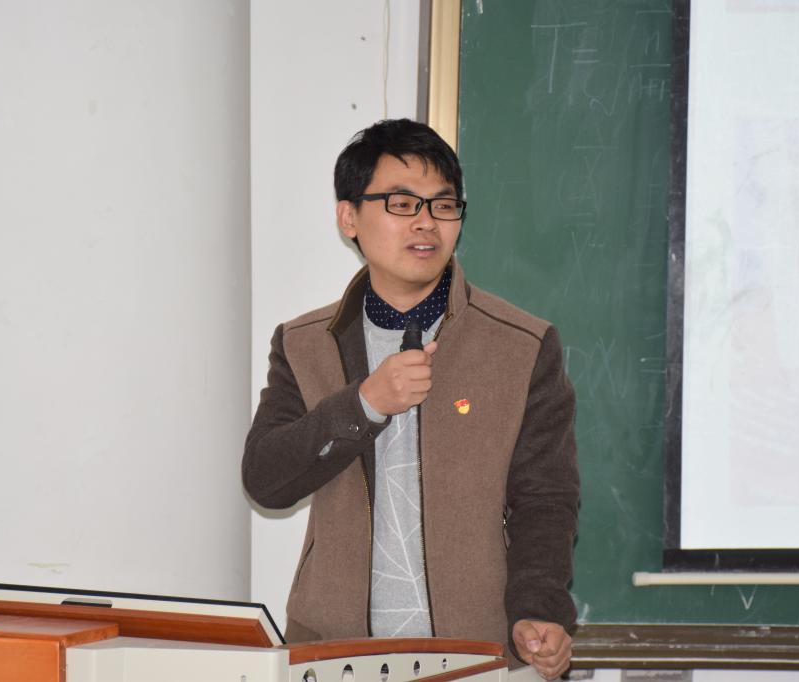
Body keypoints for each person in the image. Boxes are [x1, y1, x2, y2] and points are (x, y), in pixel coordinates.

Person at [242, 118, 579, 680]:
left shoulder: (521, 345)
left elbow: (545, 500)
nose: (426, 222)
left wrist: (538, 610)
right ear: (349, 217)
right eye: (401, 204)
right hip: (334, 656)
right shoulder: (304, 344)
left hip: (476, 656)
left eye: (444, 205)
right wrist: (364, 403)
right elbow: (266, 480)